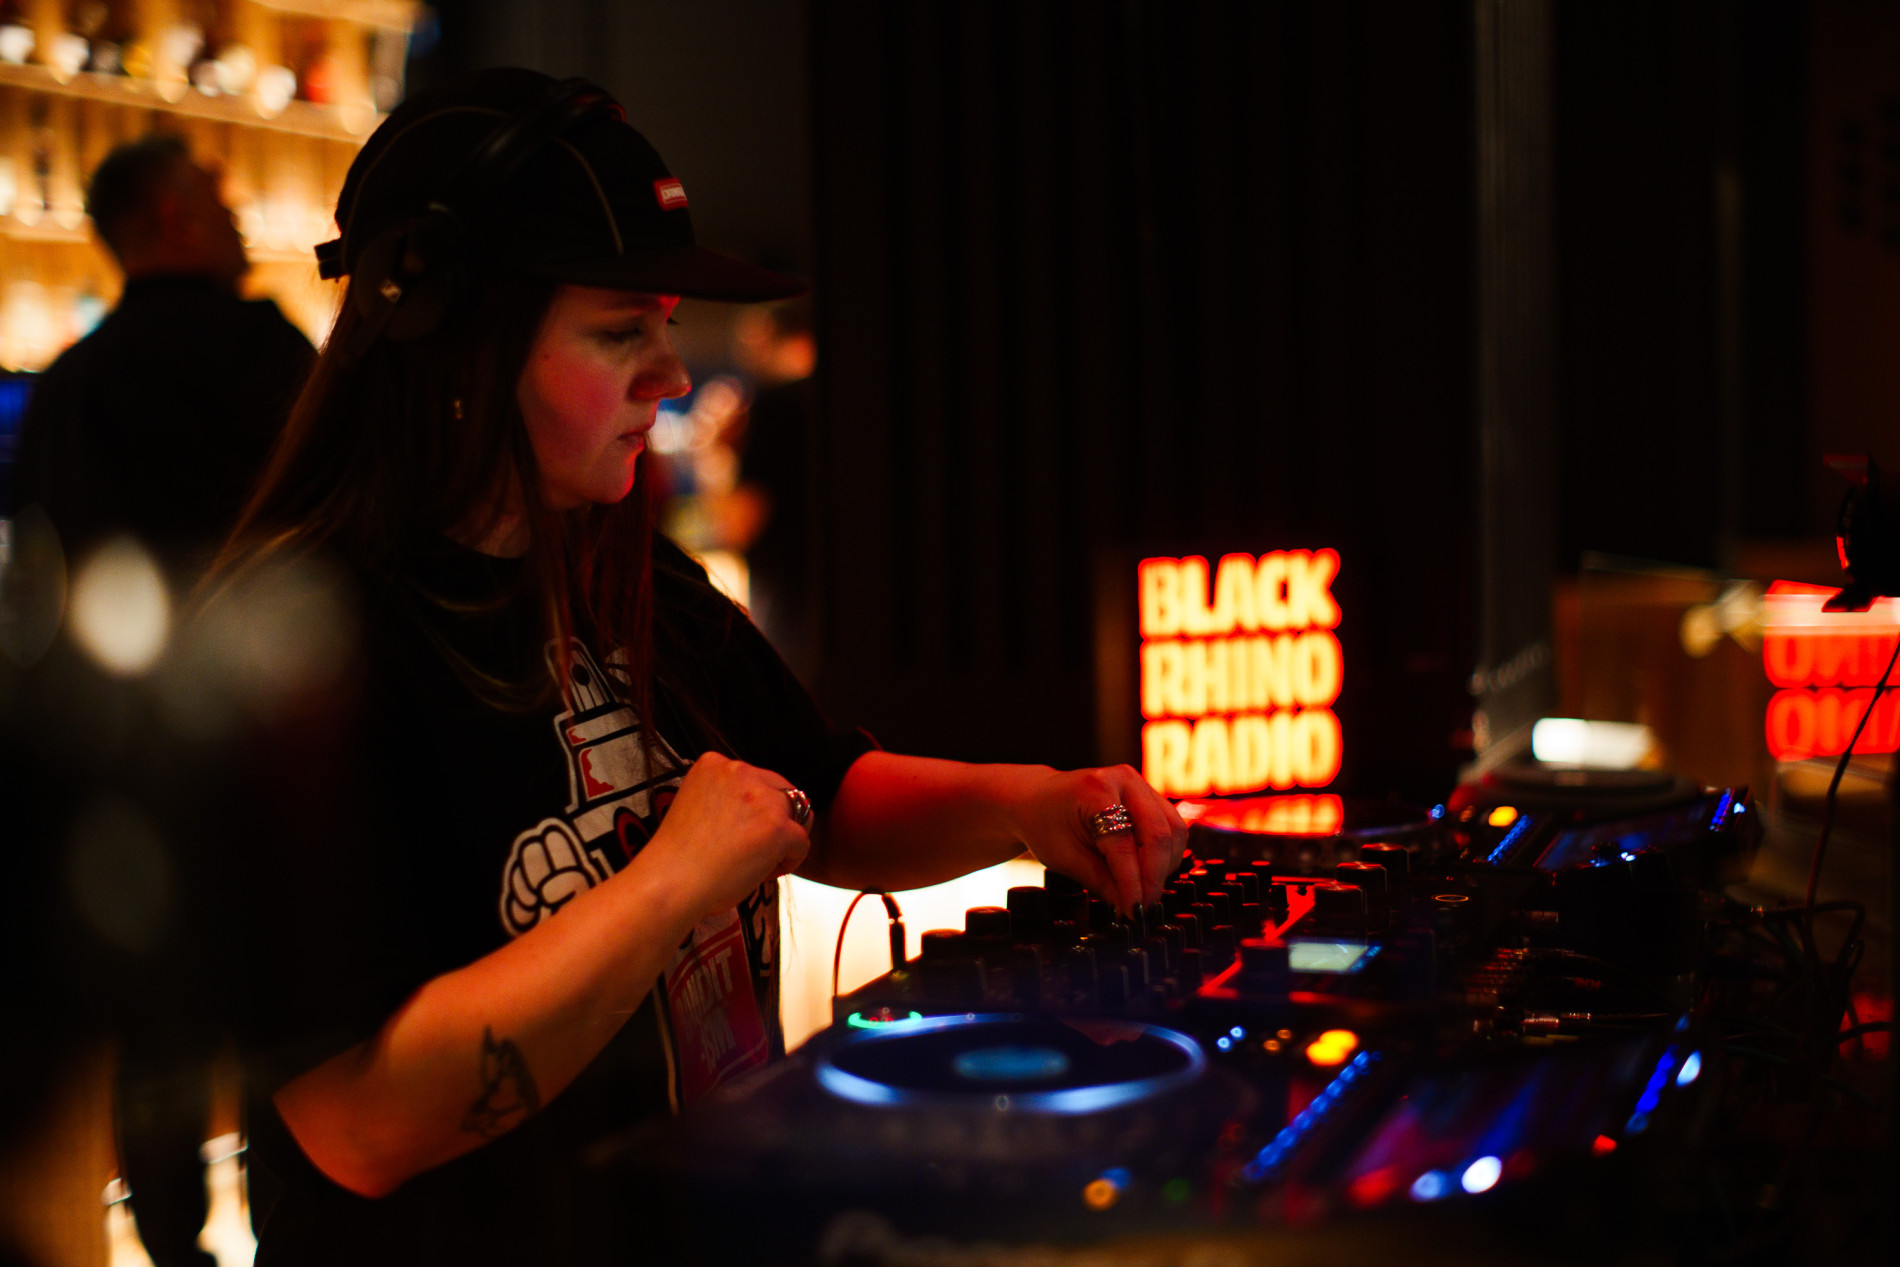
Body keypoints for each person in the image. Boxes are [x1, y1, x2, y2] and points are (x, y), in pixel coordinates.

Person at [203, 68, 1185, 1265]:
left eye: (665, 326)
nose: (670, 376)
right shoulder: (301, 644)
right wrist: (669, 879)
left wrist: (1029, 805)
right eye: (620, 330)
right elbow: (357, 1123)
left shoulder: (622, 565)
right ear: (450, 336)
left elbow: (814, 791)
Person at [8, 134, 314, 1267]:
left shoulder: (69, 388)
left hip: (126, 785)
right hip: (286, 758)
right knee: (300, 1014)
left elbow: (39, 597)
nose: (237, 217)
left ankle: (175, 1249)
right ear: (169, 218)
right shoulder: (273, 356)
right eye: (217, 199)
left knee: (154, 1033)